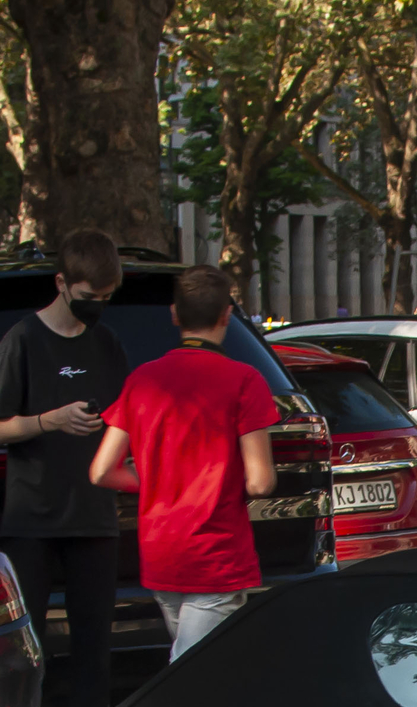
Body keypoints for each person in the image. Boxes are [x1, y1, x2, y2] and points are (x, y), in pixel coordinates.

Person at [89, 267, 279, 659]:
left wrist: (156, 481)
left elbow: (102, 470)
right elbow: (260, 482)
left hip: (161, 548)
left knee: (196, 659)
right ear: (227, 314)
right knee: (193, 670)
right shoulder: (244, 380)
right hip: (217, 552)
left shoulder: (143, 379)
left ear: (175, 314)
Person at [0, 228, 129, 707]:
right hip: (34, 516)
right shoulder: (23, 340)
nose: (98, 307)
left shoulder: (107, 343)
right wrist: (50, 420)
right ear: (62, 283)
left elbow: (124, 418)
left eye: (107, 299)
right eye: (90, 298)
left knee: (96, 643)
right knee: (30, 642)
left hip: (94, 515)